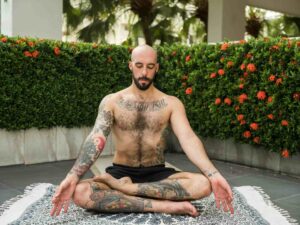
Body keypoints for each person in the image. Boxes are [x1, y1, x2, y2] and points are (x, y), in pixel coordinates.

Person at [51, 44, 234, 217]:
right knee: (80, 192)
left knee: (203, 184)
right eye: (139, 66)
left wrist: (214, 175)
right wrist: (73, 176)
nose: (144, 72)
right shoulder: (112, 101)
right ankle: (163, 206)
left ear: (157, 68)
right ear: (131, 66)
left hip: (158, 175)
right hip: (120, 173)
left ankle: (127, 191)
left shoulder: (171, 103)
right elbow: (97, 137)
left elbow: (187, 138)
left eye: (150, 66)